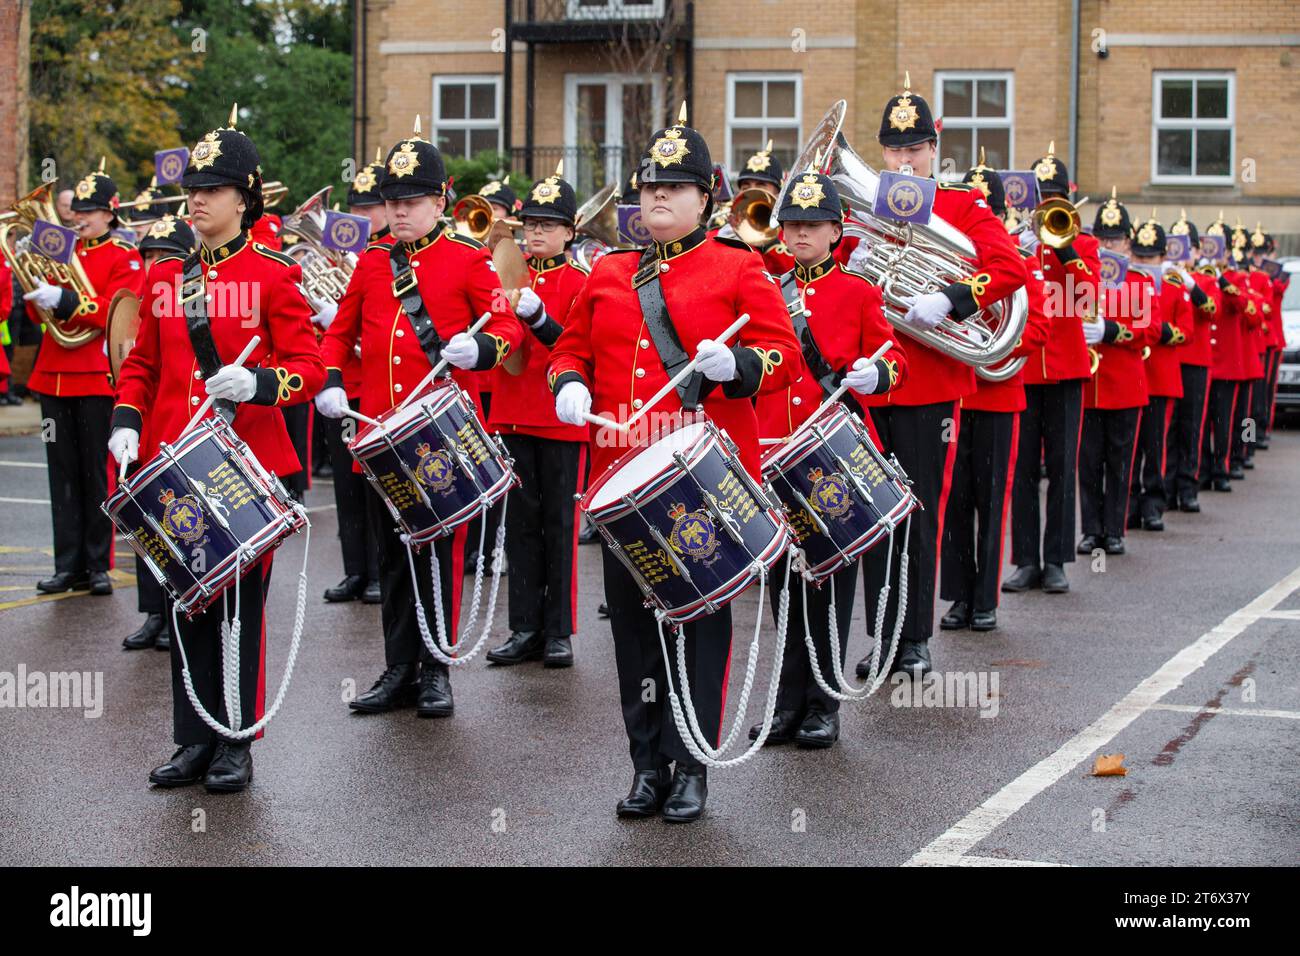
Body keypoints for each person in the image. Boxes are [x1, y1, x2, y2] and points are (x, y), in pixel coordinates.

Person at [547, 106, 799, 821]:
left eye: (676, 186)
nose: (657, 196)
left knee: (698, 624)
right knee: (631, 628)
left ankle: (693, 765)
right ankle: (646, 765)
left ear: (705, 198)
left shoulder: (737, 265)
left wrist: (739, 365)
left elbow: (783, 358)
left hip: (701, 482)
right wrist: (566, 382)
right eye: (649, 185)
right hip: (622, 477)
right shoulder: (608, 272)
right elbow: (571, 348)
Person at [108, 109, 326, 791]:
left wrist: (259, 382)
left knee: (237, 609)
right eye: (191, 190)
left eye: (213, 188)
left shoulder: (271, 273)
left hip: (245, 467)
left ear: (244, 198)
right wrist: (125, 420)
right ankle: (193, 738)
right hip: (176, 460)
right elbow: (142, 363)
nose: (196, 200)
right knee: (187, 606)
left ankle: (236, 739)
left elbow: (308, 367)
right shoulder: (165, 276)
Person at [315, 122, 522, 720]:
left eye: (411, 202)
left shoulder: (466, 260)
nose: (399, 213)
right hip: (378, 431)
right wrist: (330, 382)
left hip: (439, 435)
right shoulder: (372, 263)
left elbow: (505, 328)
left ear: (441, 201)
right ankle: (399, 666)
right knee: (390, 553)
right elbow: (338, 335)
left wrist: (478, 351)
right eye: (393, 202)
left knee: (438, 552)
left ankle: (437, 669)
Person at [851, 74, 1025, 680]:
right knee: (876, 514)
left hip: (929, 384)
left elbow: (1010, 269)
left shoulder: (960, 204)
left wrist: (953, 298)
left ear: (935, 145)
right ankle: (883, 635)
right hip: (872, 381)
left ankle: (915, 640)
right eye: (895, 149)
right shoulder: (865, 203)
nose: (904, 158)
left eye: (915, 148)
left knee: (921, 511)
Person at [750, 167, 907, 748]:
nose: (797, 236)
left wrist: (876, 373)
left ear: (837, 231)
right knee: (783, 584)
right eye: (791, 226)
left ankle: (824, 704)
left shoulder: (858, 291)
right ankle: (786, 703)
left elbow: (897, 364)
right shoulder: (764, 285)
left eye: (811, 226)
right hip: (771, 446)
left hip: (828, 452)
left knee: (830, 581)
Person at [23, 160, 145, 596]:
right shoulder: (60, 250)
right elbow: (39, 303)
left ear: (110, 213)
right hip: (53, 374)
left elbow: (116, 312)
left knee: (97, 473)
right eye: (78, 210)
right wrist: (39, 292)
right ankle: (66, 564)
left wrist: (67, 298)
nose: (80, 218)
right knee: (62, 474)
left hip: (95, 375)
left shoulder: (126, 256)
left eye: (90, 211)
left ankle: (97, 563)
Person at [484, 166, 590, 669]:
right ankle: (524, 625)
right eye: (530, 224)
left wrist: (540, 318)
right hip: (511, 412)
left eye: (548, 225)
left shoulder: (581, 283)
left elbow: (574, 347)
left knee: (559, 524)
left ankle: (558, 630)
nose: (536, 233)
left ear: (570, 231)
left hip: (559, 417)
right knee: (520, 524)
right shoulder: (505, 276)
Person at [940, 157, 1049, 632]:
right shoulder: (946, 263)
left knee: (991, 497)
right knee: (955, 501)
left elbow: (1038, 328)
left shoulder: (1018, 263)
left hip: (997, 395)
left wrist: (985, 345)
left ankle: (986, 599)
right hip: (954, 396)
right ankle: (959, 596)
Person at [1004, 142, 1099, 595]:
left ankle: (1057, 559)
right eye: (1040, 197)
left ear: (1068, 196)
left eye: (1053, 197)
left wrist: (1060, 247)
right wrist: (1017, 248)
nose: (1045, 205)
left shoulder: (1084, 243)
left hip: (1066, 368)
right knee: (1023, 469)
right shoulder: (1016, 240)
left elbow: (1088, 297)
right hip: (1024, 367)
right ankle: (1025, 559)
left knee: (1062, 465)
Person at [121, 212, 197, 651]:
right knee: (147, 526)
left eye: (163, 256)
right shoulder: (148, 293)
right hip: (146, 424)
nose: (154, 264)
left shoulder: (192, 293)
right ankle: (154, 611)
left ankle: (177, 610)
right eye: (148, 255)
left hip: (177, 422)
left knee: (182, 527)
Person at [317, 149, 388, 605]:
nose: (361, 214)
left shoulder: (387, 256)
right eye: (355, 206)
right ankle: (355, 569)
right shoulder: (335, 255)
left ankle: (381, 568)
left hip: (378, 385)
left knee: (377, 482)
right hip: (343, 387)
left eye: (370, 206)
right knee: (345, 482)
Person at [1076, 191, 1158, 556]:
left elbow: (1151, 330)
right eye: (1104, 237)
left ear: (1128, 241)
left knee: (1120, 462)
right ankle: (1091, 530)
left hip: (1125, 385)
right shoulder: (1085, 277)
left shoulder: (1138, 281)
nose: (1109, 244)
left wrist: (1108, 331)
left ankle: (1115, 529)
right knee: (1089, 462)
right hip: (1090, 385)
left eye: (1116, 238)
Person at [1127, 214, 1191, 532]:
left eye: (1150, 257)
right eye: (1139, 256)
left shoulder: (1173, 287)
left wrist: (1161, 331)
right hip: (1131, 375)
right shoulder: (1123, 284)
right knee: (1128, 447)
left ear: (1163, 258)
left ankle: (1153, 504)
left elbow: (1186, 332)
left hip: (1160, 376)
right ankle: (1128, 505)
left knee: (1154, 446)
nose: (1143, 261)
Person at [1162, 212, 1217, 513]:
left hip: (1195, 360)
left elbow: (1211, 311)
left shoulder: (1206, 278)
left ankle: (1188, 486)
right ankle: (1166, 486)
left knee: (1191, 426)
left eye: (1189, 249)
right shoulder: (1162, 278)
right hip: (1170, 359)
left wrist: (1191, 285)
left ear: (1197, 252)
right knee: (1168, 428)